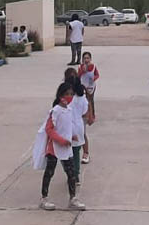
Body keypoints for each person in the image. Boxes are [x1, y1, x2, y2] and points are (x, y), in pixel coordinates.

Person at [32, 82, 85, 211]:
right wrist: (61, 140)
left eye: (71, 94)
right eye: (67, 94)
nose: (70, 96)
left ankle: (73, 199)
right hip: (54, 148)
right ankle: (44, 198)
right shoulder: (55, 111)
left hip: (66, 148)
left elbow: (66, 127)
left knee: (71, 174)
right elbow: (49, 129)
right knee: (49, 173)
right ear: (60, 95)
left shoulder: (69, 110)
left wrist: (71, 136)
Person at [64, 68, 89, 188]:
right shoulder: (82, 98)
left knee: (66, 153)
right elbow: (85, 112)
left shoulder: (66, 98)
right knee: (76, 152)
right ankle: (76, 175)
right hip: (79, 127)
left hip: (67, 127)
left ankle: (70, 173)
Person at [78, 51, 99, 164]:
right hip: (83, 86)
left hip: (91, 86)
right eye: (84, 58)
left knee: (90, 101)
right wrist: (82, 70)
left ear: (90, 59)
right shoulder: (81, 67)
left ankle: (91, 114)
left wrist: (94, 78)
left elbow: (97, 75)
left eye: (88, 58)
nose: (86, 60)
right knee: (85, 101)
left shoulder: (93, 66)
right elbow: (78, 76)